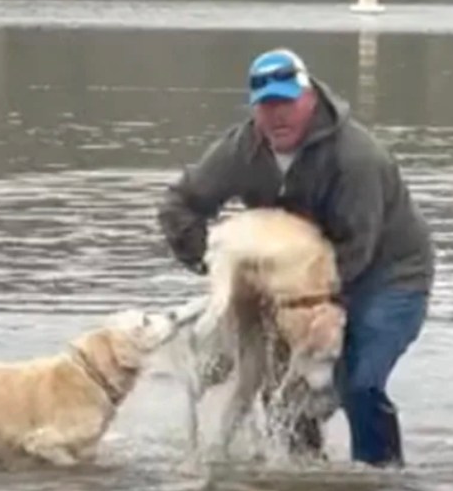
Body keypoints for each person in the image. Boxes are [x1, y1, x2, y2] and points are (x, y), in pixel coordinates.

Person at [157, 48, 434, 467]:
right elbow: (180, 205)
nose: (277, 117)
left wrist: (295, 301)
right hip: (292, 278)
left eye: (286, 102)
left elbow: (357, 249)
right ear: (254, 110)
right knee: (279, 383)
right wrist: (215, 268)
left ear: (310, 98)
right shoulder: (243, 150)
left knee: (358, 382)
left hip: (388, 275)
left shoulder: (356, 158)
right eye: (266, 106)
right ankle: (302, 474)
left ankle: (381, 479)